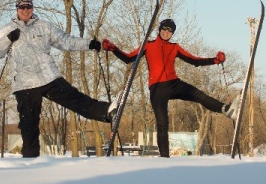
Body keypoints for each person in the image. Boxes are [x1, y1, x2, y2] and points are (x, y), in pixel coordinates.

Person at [0, 0, 117, 158]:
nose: (26, 10)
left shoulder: (44, 27)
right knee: (29, 123)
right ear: (17, 10)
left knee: (75, 98)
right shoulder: (7, 30)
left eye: (28, 7)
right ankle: (30, 159)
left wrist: (89, 44)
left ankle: (106, 111)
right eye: (22, 8)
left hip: (48, 76)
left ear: (32, 9)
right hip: (24, 83)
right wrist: (8, 39)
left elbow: (66, 41)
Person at [102, 19, 240, 158]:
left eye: (170, 31)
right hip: (157, 89)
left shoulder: (174, 47)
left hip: (174, 83)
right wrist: (113, 48)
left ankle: (226, 109)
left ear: (172, 33)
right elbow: (128, 58)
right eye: (165, 29)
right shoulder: (148, 45)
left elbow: (195, 61)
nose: (167, 32)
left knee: (198, 95)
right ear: (159, 29)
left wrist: (214, 60)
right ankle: (164, 159)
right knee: (162, 124)